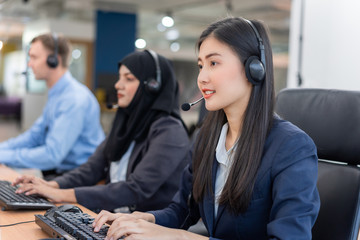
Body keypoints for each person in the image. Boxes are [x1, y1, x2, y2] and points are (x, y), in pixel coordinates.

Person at [92, 17, 320, 240]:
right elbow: (182, 211)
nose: (202, 77)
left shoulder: (292, 147)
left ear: (254, 69)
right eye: (200, 65)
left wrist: (181, 237)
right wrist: (144, 220)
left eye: (213, 63)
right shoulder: (206, 138)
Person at [13, 50, 190, 213]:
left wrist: (61, 195)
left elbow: (136, 189)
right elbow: (91, 170)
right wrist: (51, 185)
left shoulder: (170, 132)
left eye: (128, 79)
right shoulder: (126, 123)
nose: (118, 85)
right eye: (119, 77)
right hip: (114, 217)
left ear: (152, 86)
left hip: (149, 227)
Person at [0, 33, 104, 179]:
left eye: (34, 57)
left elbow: (52, 155)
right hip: (60, 173)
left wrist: (4, 156)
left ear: (54, 60)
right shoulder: (57, 94)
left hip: (79, 179)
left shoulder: (73, 99)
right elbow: (33, 137)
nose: (29, 63)